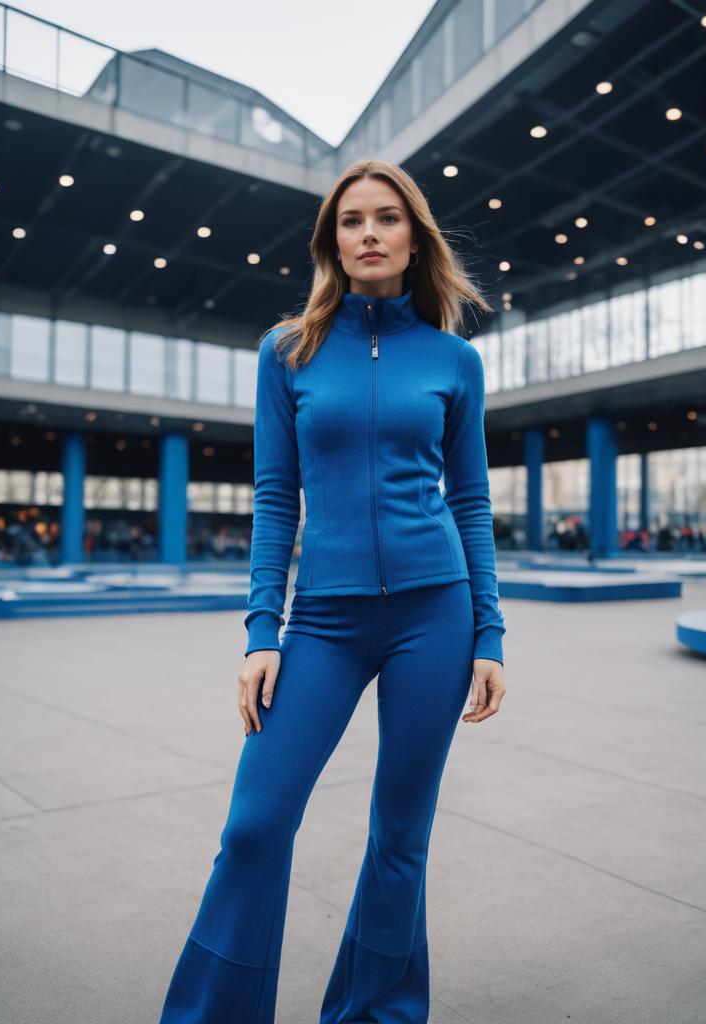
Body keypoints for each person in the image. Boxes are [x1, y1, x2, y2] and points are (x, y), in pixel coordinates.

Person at [157, 158, 508, 1024]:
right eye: (351, 222)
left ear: (413, 236)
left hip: (436, 611)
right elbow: (276, 498)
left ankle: (376, 1014)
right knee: (255, 824)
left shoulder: (455, 361)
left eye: (387, 219)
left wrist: (490, 634)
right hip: (322, 620)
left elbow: (470, 499)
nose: (369, 234)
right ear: (332, 242)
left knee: (400, 837)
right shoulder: (289, 352)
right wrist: (259, 631)